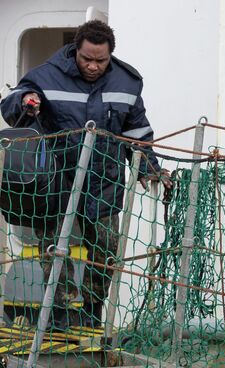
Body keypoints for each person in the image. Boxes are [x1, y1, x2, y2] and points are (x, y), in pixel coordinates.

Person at [0, 20, 171, 329]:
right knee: (54, 247)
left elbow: (138, 132)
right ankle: (60, 313)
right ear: (75, 51)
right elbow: (12, 104)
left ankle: (92, 312)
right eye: (86, 59)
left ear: (110, 56)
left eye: (100, 61)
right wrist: (27, 101)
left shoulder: (127, 82)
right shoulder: (45, 76)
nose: (93, 66)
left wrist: (149, 167)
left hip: (103, 181)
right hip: (56, 181)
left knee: (106, 248)